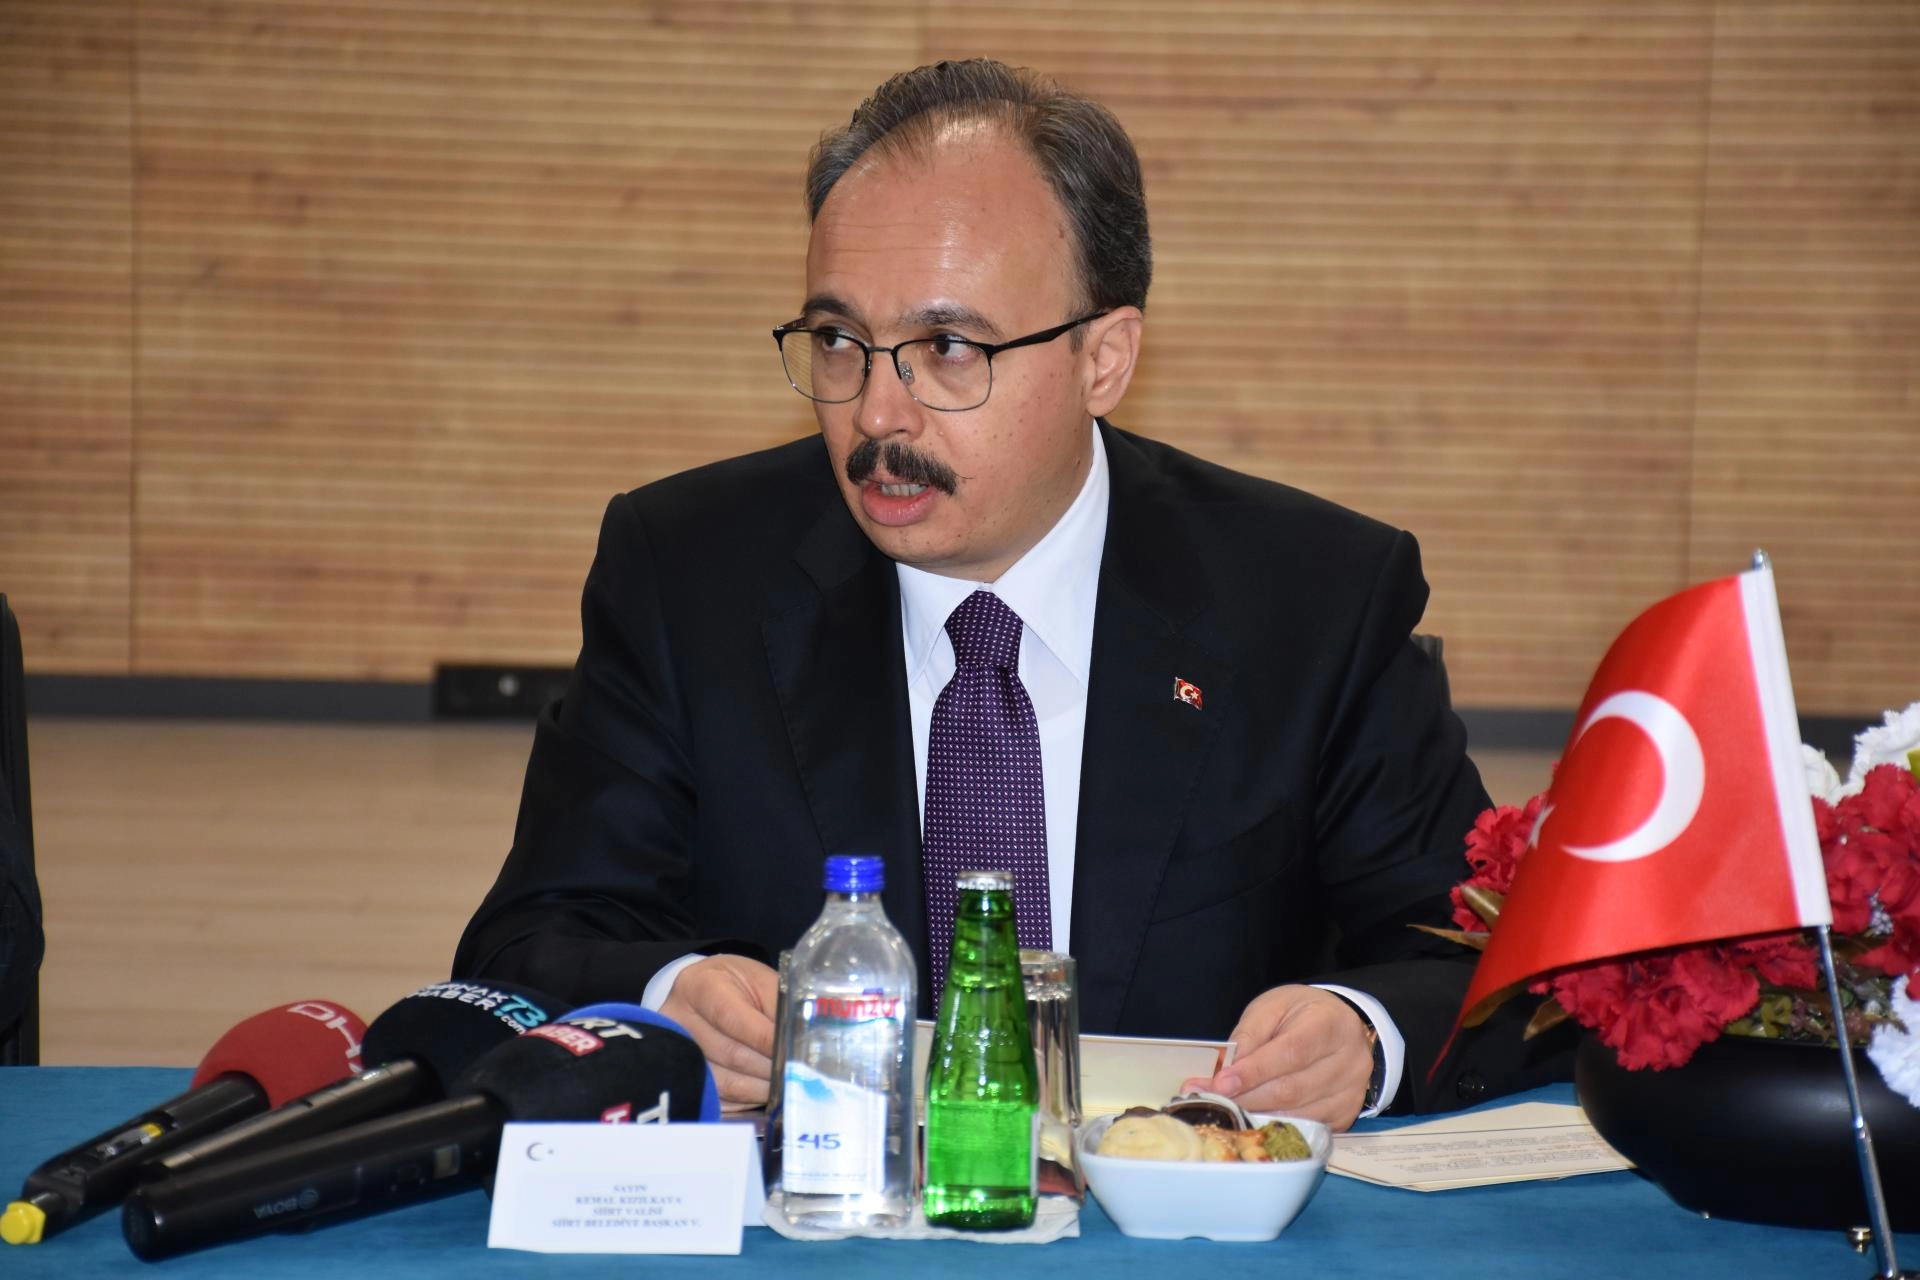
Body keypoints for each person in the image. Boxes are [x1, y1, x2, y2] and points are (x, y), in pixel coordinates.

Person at [453, 59, 1568, 1130]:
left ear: (1104, 358)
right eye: (839, 341)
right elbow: (527, 941)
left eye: (946, 346)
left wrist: (1364, 1034)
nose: (876, 412)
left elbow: (1487, 962)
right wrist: (668, 992)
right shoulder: (688, 571)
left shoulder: (1312, 599)